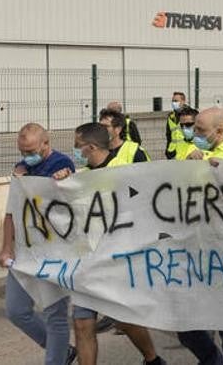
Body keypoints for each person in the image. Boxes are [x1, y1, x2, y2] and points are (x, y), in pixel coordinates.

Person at [62, 122, 165, 365]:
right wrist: (61, 184)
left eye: (77, 146)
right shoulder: (82, 177)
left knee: (124, 321)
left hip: (120, 260)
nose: (75, 151)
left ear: (91, 147)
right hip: (88, 261)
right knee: (82, 324)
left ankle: (152, 359)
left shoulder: (125, 171)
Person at [177, 108, 223, 364]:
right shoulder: (192, 154)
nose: (194, 134)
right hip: (197, 253)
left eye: (200, 130)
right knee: (186, 326)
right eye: (194, 129)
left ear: (219, 132)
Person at [0, 123, 76, 365]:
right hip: (25, 251)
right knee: (17, 311)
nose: (26, 156)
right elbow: (12, 211)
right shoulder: (21, 169)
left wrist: (66, 181)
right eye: (22, 151)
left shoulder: (62, 165)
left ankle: (56, 359)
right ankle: (63, 352)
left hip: (55, 252)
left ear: (46, 143)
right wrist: (6, 247)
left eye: (31, 150)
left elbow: (72, 200)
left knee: (55, 314)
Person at [164, 91, 189, 157]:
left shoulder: (191, 115)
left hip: (186, 153)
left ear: (183, 101)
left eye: (176, 101)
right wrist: (168, 151)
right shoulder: (171, 117)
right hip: (173, 154)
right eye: (172, 101)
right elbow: (169, 136)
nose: (173, 103)